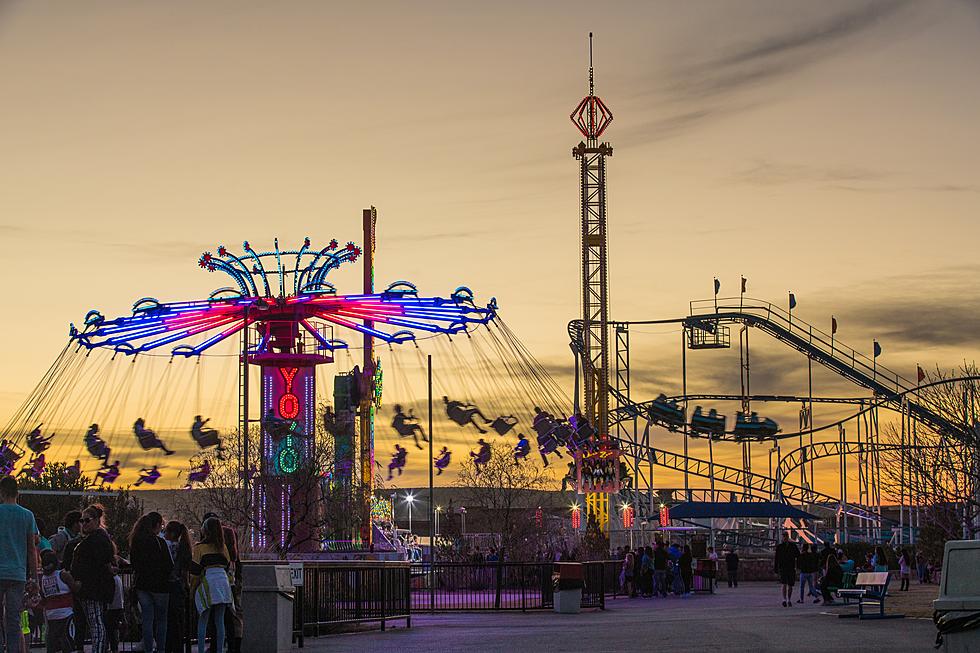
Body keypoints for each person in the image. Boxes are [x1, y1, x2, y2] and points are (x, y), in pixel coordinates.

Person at [0, 475, 38, 653]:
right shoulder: (27, 515)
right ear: (18, 493)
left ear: (1, 493)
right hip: (17, 574)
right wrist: (34, 578)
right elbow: (32, 549)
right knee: (13, 621)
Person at [70, 504, 115, 653]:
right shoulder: (95, 539)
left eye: (87, 520)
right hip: (90, 588)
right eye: (81, 521)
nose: (83, 524)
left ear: (96, 520)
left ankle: (98, 649)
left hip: (93, 589)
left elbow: (102, 563)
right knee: (95, 622)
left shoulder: (97, 540)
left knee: (96, 623)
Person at [129, 512, 173, 653]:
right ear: (156, 525)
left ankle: (148, 649)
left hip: (143, 585)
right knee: (161, 620)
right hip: (160, 586)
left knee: (147, 619)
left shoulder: (136, 542)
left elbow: (134, 565)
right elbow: (169, 565)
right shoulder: (160, 543)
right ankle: (161, 649)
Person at [190, 518, 233, 653]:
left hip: (208, 581)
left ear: (205, 530)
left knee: (203, 618)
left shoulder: (199, 547)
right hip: (223, 582)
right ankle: (219, 650)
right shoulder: (223, 547)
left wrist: (192, 589)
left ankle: (201, 650)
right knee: (219, 620)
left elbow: (196, 571)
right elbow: (228, 565)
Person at [201, 512, 242, 653]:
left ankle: (215, 645)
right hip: (229, 579)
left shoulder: (205, 542)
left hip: (213, 582)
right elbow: (234, 557)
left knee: (215, 617)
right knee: (230, 615)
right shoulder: (229, 534)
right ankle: (233, 646)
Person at [38, 549, 78, 653]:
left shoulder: (42, 579)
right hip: (66, 614)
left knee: (53, 640)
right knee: (67, 639)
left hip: (50, 615)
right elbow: (74, 588)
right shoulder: (63, 575)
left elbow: (42, 595)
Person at [163, 521, 191, 653]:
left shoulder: (166, 546)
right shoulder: (183, 547)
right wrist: (186, 585)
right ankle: (179, 647)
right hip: (179, 586)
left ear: (172, 533)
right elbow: (184, 570)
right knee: (178, 621)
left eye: (166, 531)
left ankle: (167, 647)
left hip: (167, 586)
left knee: (167, 620)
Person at [774, 532, 800, 607]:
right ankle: (784, 599)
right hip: (783, 567)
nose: (785, 538)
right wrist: (776, 568)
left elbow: (798, 555)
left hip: (790, 567)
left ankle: (788, 599)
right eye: (784, 536)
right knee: (784, 583)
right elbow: (776, 558)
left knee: (790, 585)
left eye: (785, 536)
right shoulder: (780, 547)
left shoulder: (792, 546)